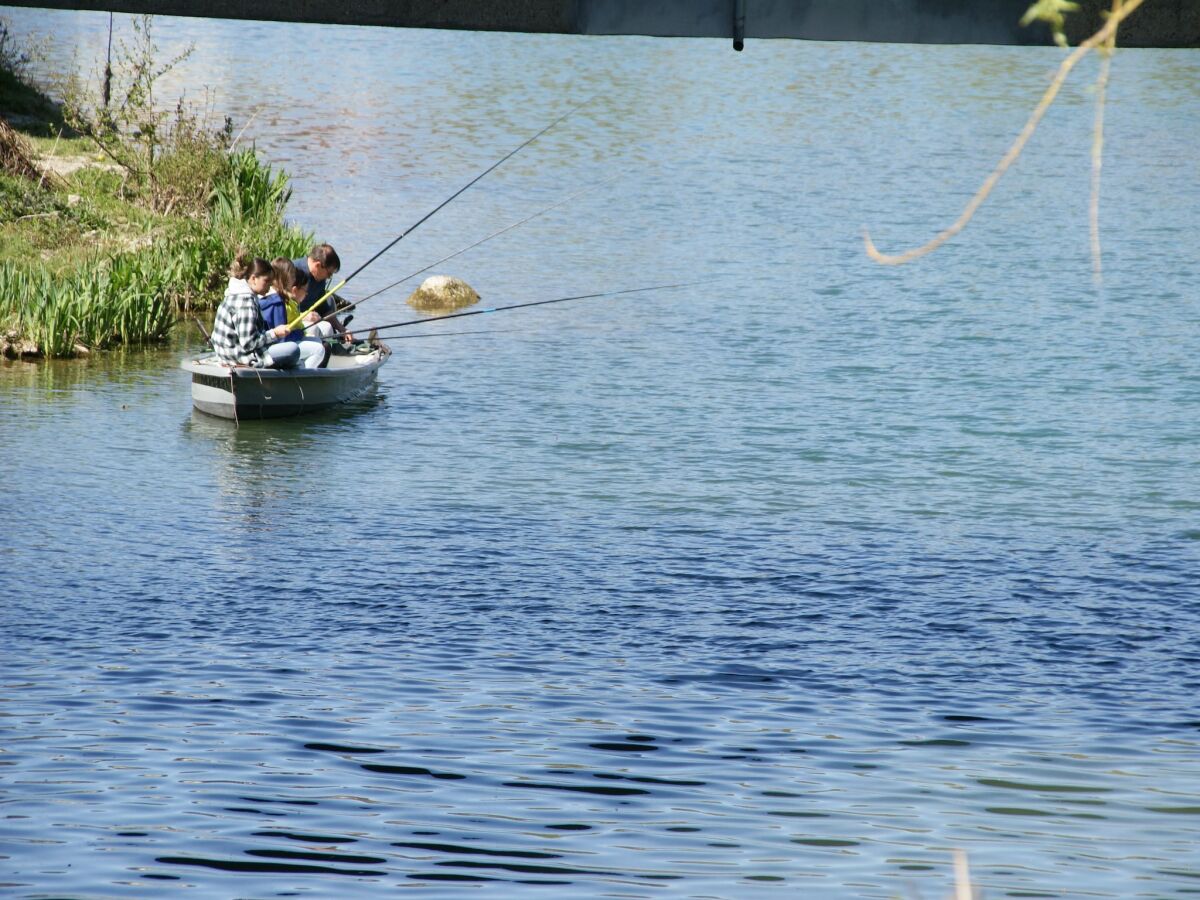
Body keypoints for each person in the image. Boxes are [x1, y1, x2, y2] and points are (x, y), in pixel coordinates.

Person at [210, 256, 303, 369]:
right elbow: (249, 343)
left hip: (225, 353)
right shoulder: (246, 302)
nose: (270, 285)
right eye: (266, 281)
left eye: (271, 281)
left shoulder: (235, 292)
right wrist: (275, 333)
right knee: (293, 349)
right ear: (254, 279)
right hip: (237, 356)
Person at [257, 258, 327, 369]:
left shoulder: (267, 296)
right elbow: (282, 339)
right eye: (293, 276)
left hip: (268, 343)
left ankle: (300, 368)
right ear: (286, 278)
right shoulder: (277, 301)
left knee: (317, 341)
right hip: (271, 348)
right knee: (319, 349)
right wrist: (299, 333)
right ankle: (303, 378)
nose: (294, 280)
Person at [294, 243, 353, 341]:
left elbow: (324, 308)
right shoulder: (294, 271)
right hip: (290, 322)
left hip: (307, 321)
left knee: (327, 328)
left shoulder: (319, 279)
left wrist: (342, 329)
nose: (329, 277)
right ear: (318, 265)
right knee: (313, 329)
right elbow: (281, 306)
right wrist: (301, 317)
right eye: (329, 273)